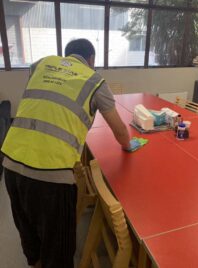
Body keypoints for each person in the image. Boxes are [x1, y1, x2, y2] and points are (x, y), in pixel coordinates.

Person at [1, 38, 130, 268]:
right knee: (58, 250)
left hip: (11, 163)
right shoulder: (95, 81)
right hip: (52, 175)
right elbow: (120, 131)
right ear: (91, 59)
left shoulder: (41, 64)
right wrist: (129, 145)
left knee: (30, 238)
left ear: (67, 55)